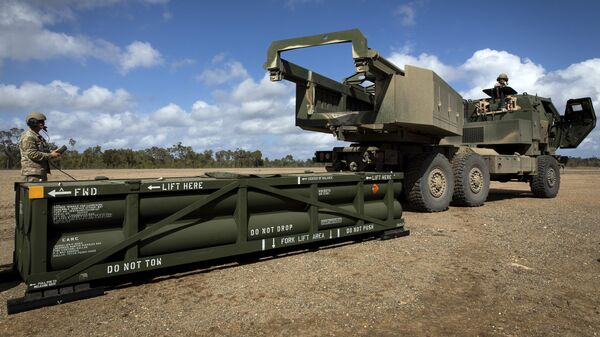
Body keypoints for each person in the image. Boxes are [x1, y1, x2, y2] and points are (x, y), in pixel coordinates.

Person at [19, 112, 62, 182]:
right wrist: (50, 155)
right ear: (33, 122)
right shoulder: (28, 136)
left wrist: (53, 153)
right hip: (32, 173)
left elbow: (42, 152)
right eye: (40, 121)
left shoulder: (37, 136)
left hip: (40, 172)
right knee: (34, 193)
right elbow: (32, 154)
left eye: (43, 121)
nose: (43, 123)